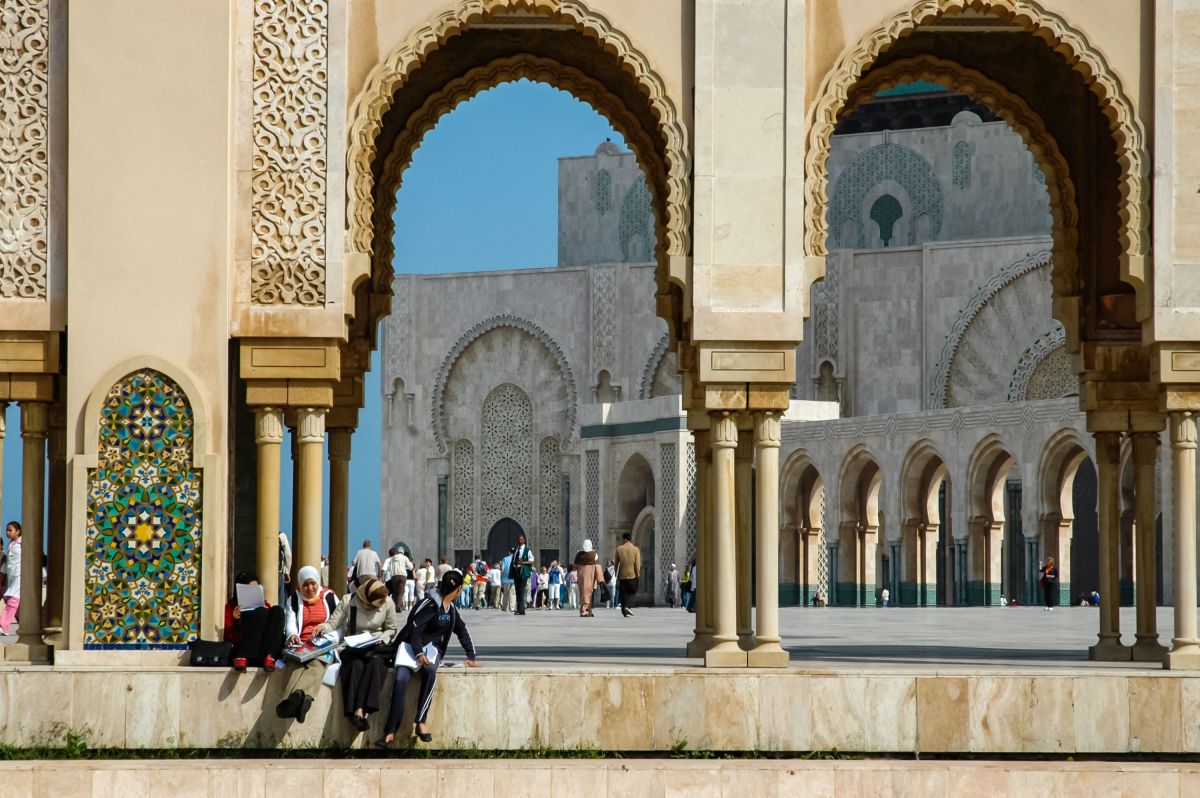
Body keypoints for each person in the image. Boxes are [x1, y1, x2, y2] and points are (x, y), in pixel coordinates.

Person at [376, 571, 481, 747]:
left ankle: (421, 721)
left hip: (431, 651)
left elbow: (462, 631)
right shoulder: (430, 604)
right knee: (401, 679)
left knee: (431, 670)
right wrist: (418, 653)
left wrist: (471, 655)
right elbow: (414, 629)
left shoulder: (451, 610)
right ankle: (390, 730)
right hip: (410, 649)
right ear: (458, 589)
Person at [316, 576, 397, 732]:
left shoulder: (388, 603)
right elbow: (334, 622)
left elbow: (391, 628)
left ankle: (359, 710)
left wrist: (384, 638)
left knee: (376, 664)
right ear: (368, 598)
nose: (381, 603)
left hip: (376, 646)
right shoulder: (349, 600)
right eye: (378, 601)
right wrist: (323, 628)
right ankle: (355, 711)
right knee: (355, 666)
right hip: (354, 646)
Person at [276, 565, 339, 723]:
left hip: (324, 644)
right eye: (305, 584)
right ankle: (303, 700)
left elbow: (340, 623)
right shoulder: (294, 599)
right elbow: (290, 622)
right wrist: (293, 635)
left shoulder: (330, 598)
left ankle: (293, 699)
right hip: (301, 644)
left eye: (312, 583)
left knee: (318, 663)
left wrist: (328, 635)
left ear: (318, 582)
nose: (309, 588)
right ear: (300, 585)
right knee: (295, 664)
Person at [224, 572, 284, 670]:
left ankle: (270, 657)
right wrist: (233, 619)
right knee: (261, 612)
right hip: (242, 651)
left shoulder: (264, 604)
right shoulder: (231, 607)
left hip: (262, 651)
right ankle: (242, 656)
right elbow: (227, 636)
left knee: (277, 610)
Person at [573, 539, 605, 617]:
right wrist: (600, 578)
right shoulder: (594, 555)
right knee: (588, 593)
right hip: (591, 576)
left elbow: (574, 566)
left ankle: (588, 610)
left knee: (584, 593)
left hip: (581, 577)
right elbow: (598, 566)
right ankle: (584, 610)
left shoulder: (579, 555)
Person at [0, 521, 21, 635]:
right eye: (7, 530)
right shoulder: (11, 544)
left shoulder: (22, 543)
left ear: (17, 531)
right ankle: (25, 625)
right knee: (11, 600)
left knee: (13, 600)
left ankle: (3, 626)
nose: (8, 532)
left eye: (10, 530)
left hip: (20, 576)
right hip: (12, 577)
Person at [614, 532, 641, 618]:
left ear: (625, 539)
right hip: (632, 575)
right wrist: (638, 574)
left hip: (622, 575)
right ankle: (627, 606)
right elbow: (637, 564)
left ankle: (625, 611)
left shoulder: (619, 549)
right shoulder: (636, 549)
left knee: (623, 593)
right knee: (632, 591)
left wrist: (615, 573)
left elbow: (616, 563)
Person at [511, 535, 534, 615]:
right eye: (519, 539)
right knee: (517, 591)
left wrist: (522, 562)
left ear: (524, 540)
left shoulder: (527, 550)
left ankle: (522, 610)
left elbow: (531, 560)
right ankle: (519, 609)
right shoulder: (517, 549)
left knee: (521, 590)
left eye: (521, 540)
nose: (519, 541)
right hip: (516, 572)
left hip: (523, 572)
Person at [277, 530, 292, 605]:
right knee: (280, 600)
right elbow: (288, 554)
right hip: (279, 571)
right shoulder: (281, 535)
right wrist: (287, 571)